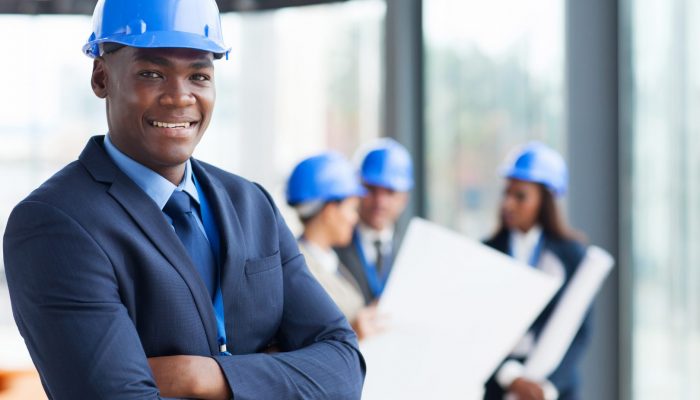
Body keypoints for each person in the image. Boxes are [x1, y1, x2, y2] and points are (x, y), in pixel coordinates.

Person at [3, 1, 365, 399]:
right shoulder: (54, 223)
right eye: (152, 73)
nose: (180, 97)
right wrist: (278, 372)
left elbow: (344, 366)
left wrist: (203, 377)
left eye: (198, 75)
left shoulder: (251, 204)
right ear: (102, 77)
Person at [483, 142, 591, 400]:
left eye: (520, 196)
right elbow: (479, 326)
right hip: (500, 387)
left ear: (545, 200)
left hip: (556, 389)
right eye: (506, 193)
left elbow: (581, 332)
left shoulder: (573, 256)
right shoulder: (487, 252)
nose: (508, 204)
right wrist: (510, 377)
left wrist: (548, 387)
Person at [286, 152, 383, 340]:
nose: (355, 218)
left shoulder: (327, 260)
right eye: (352, 209)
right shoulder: (299, 269)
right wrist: (353, 334)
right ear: (330, 212)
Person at [334, 138, 414, 304]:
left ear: (405, 198)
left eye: (390, 192)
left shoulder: (412, 253)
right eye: (371, 189)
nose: (380, 202)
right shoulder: (331, 250)